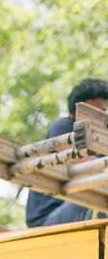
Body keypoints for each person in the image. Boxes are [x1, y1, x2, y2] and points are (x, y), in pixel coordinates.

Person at [26, 77, 108, 228]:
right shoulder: (64, 128)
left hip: (73, 206)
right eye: (95, 111)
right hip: (48, 219)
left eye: (103, 112)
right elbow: (88, 167)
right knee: (95, 198)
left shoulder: (99, 142)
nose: (101, 117)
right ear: (76, 110)